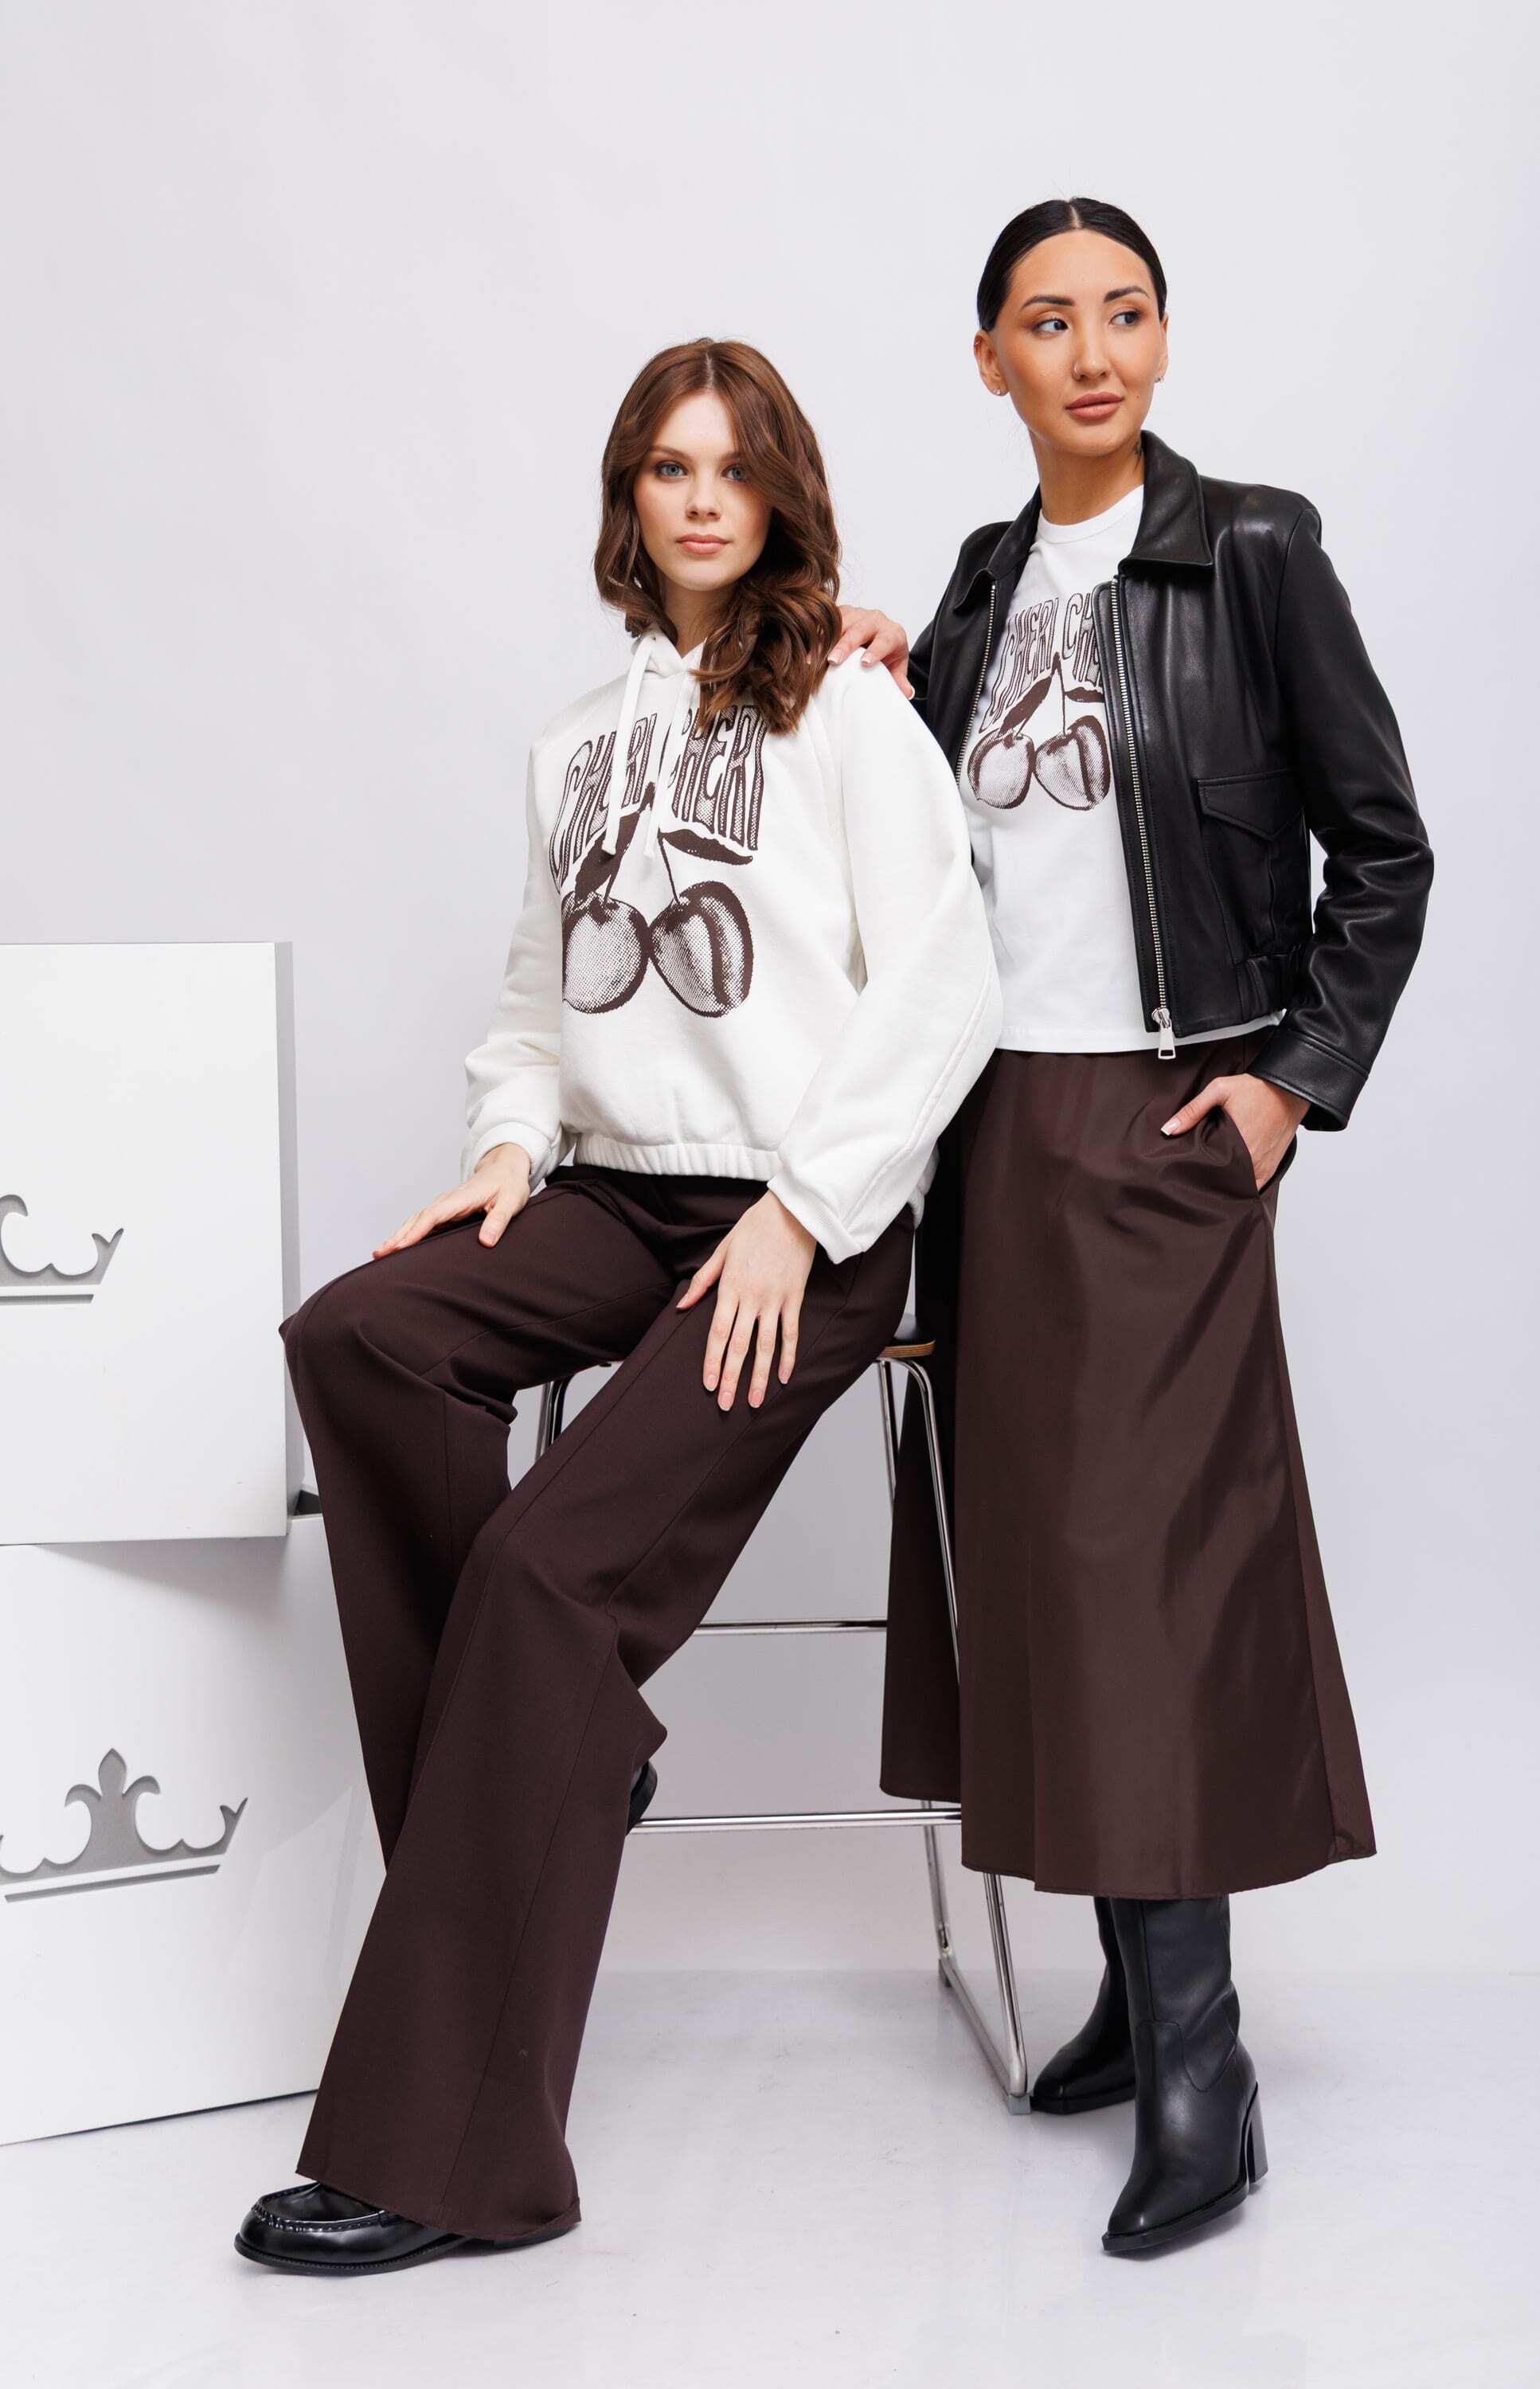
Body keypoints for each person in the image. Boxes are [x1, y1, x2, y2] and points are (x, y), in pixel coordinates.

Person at [234, 338, 1001, 2275]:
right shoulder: (575, 741)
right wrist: (509, 1143)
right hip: (613, 1189)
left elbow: (945, 985)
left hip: (802, 1220)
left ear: (779, 493)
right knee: (362, 1338)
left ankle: (457, 2161)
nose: (701, 497)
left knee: (542, 1579)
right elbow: (534, 993)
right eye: (668, 466)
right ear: (628, 498)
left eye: (733, 467)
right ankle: (573, 1744)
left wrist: (807, 1212)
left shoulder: (851, 711)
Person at [831, 197, 1433, 2254]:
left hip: (1165, 1115)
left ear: (1162, 339)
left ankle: (1202, 2068)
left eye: (1125, 313)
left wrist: (1290, 1085)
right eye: (1047, 321)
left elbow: (1383, 844)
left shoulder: (1249, 549)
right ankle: (1125, 1999)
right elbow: (941, 842)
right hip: (995, 1124)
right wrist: (885, 675)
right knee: (1040, 1572)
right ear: (987, 358)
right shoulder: (986, 578)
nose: (1092, 353)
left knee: (1143, 1579)